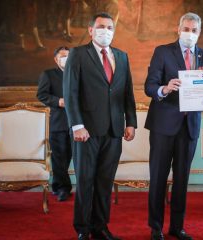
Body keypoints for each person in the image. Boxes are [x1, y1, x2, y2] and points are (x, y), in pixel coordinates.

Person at [63, 12, 137, 240]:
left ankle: (100, 226)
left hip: (114, 131)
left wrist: (131, 122)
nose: (106, 30)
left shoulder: (122, 57)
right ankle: (83, 229)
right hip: (86, 132)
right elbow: (70, 92)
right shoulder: (77, 54)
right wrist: (77, 125)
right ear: (91, 30)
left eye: (110, 27)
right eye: (101, 26)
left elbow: (127, 93)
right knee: (86, 182)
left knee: (105, 182)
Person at [145, 12, 203, 240]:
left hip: (190, 127)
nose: (190, 33)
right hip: (163, 125)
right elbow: (150, 86)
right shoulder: (163, 52)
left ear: (199, 33)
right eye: (186, 29)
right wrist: (165, 89)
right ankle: (156, 227)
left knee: (182, 179)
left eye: (194, 30)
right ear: (178, 29)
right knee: (158, 177)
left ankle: (177, 226)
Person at [37, 46, 72, 201]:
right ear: (56, 59)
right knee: (59, 159)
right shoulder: (48, 74)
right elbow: (42, 95)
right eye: (62, 56)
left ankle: (62, 186)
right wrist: (58, 101)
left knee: (73, 157)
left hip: (78, 124)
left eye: (68, 56)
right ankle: (61, 188)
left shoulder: (78, 74)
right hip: (58, 123)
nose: (65, 59)